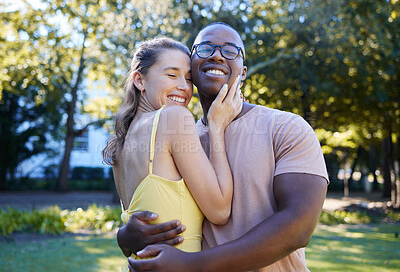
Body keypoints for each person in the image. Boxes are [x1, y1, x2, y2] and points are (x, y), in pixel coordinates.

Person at [121, 23, 329, 272]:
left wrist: (192, 265)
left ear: (243, 73)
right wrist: (126, 236)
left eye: (231, 51)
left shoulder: (286, 127)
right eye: (205, 48)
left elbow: (299, 226)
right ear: (194, 67)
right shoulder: (177, 135)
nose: (217, 55)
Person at [102, 37, 243, 271]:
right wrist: (216, 127)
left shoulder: (121, 144)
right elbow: (219, 211)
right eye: (171, 75)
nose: (185, 87)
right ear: (139, 80)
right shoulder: (173, 118)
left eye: (189, 78)